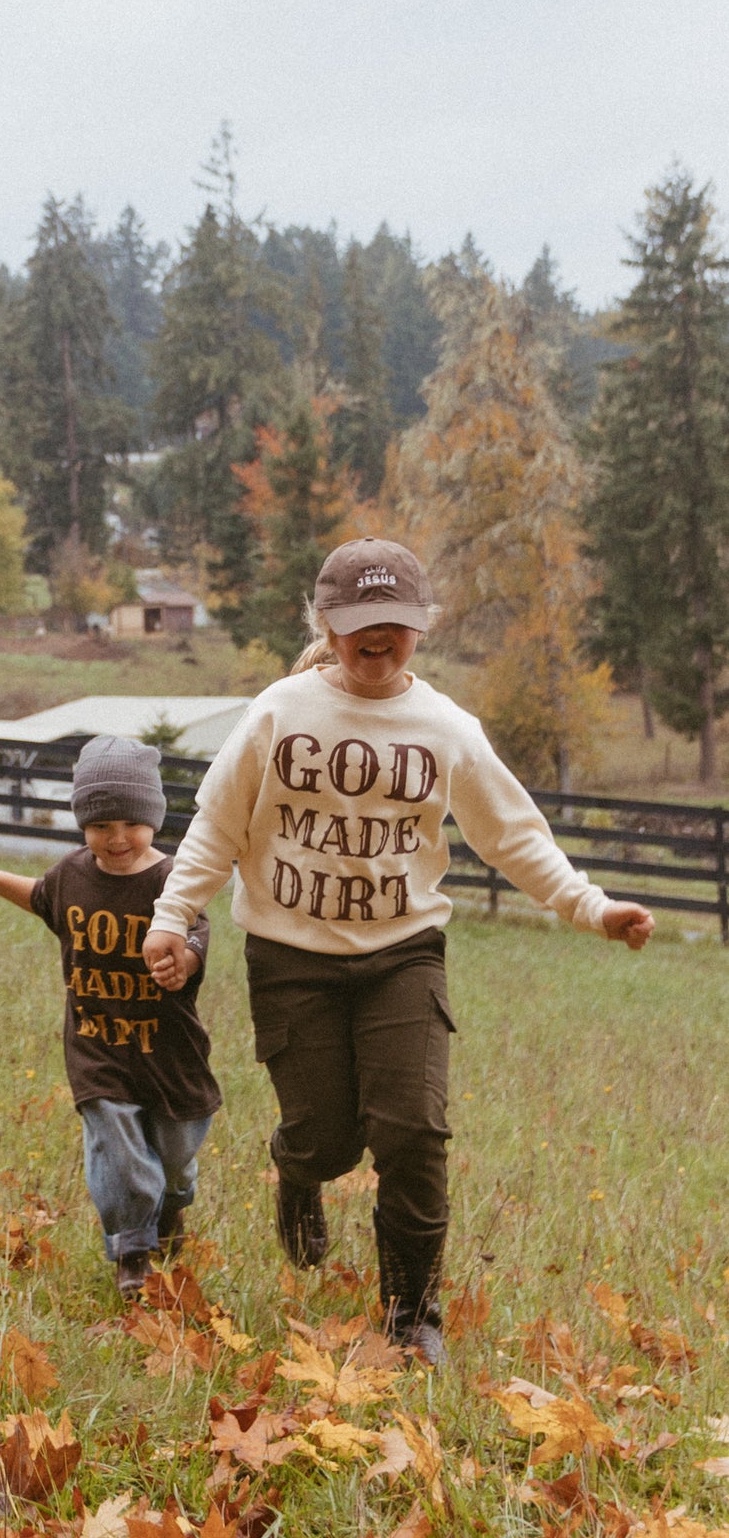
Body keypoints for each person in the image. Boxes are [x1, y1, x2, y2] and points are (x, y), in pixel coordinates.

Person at [142, 538, 656, 1366]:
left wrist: (591, 907)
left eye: (395, 623)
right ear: (325, 623)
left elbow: (513, 836)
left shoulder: (446, 728)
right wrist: (173, 917)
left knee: (412, 1131)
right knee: (326, 1138)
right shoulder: (277, 712)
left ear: (421, 625)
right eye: (357, 624)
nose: (376, 638)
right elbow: (216, 827)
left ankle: (412, 1317)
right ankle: (296, 1169)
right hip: (289, 957)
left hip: (401, 956)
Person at [0, 734, 221, 1296]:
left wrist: (187, 960)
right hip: (98, 1043)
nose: (116, 838)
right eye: (101, 825)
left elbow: (196, 929)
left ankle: (170, 1205)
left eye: (129, 822)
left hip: (168, 1047)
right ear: (83, 824)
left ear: (153, 817)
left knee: (173, 1157)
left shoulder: (172, 880)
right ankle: (131, 1248)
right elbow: (39, 898)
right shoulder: (73, 875)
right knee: (118, 1149)